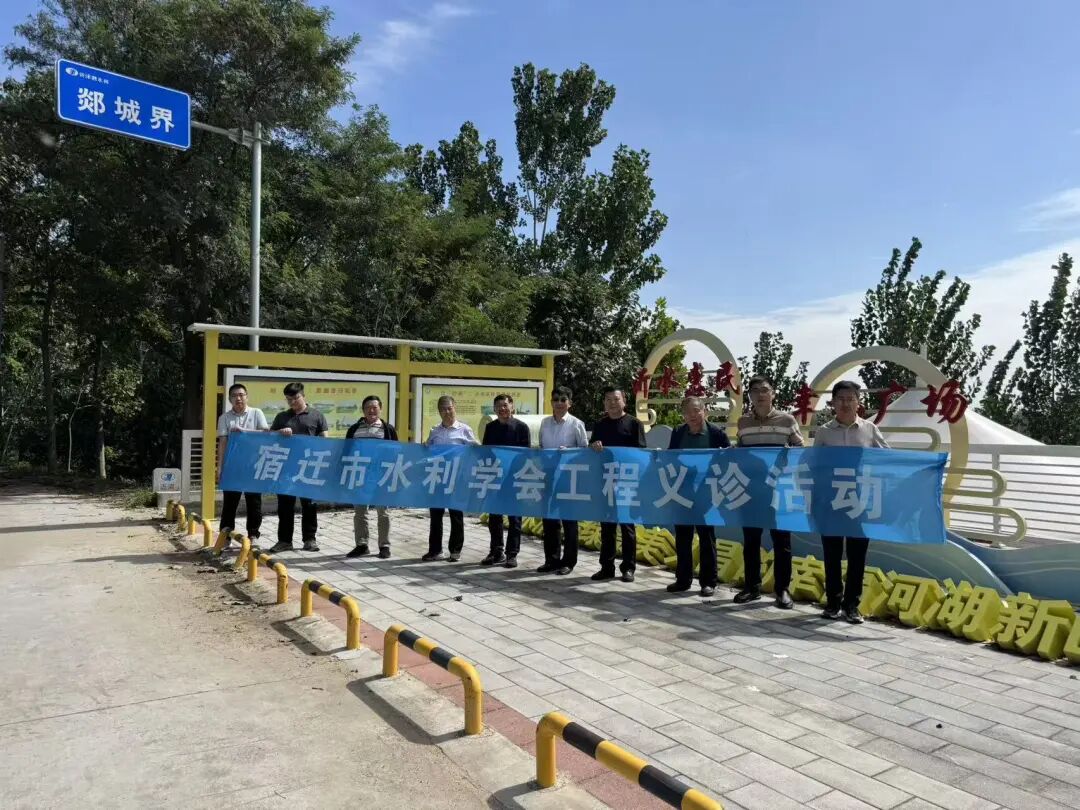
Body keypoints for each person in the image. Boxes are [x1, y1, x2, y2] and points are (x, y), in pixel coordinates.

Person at [813, 379, 890, 624]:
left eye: (850, 399)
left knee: (857, 555)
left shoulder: (869, 429)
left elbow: (888, 458)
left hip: (861, 500)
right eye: (840, 399)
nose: (845, 404)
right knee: (832, 554)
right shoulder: (824, 432)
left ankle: (852, 605)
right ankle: (833, 603)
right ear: (832, 403)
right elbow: (814, 464)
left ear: (858, 403)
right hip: (832, 500)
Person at [735, 375, 804, 609]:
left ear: (773, 394)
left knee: (782, 542)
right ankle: (752, 587)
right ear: (750, 396)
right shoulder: (743, 423)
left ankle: (782, 589)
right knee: (751, 541)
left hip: (779, 490)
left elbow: (800, 450)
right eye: (755, 391)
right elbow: (740, 453)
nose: (760, 394)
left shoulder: (787, 420)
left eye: (764, 390)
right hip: (751, 490)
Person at [667, 396, 730, 596]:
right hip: (683, 492)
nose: (692, 415)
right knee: (683, 537)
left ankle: (708, 582)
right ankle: (683, 579)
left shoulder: (716, 433)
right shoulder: (678, 432)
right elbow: (671, 457)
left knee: (706, 537)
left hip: (707, 492)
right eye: (687, 412)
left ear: (705, 412)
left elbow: (729, 459)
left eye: (696, 410)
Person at [589, 387, 646, 583]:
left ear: (624, 401)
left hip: (627, 481)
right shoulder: (600, 425)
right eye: (608, 400)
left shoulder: (634, 424)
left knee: (627, 527)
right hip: (606, 480)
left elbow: (641, 452)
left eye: (616, 399)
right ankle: (606, 567)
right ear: (604, 403)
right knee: (607, 526)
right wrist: (594, 446)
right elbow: (591, 450)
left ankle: (628, 568)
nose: (612, 403)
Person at [269, 382, 329, 553]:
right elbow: (270, 438)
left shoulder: (317, 415)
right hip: (286, 468)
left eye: (295, 398)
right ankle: (284, 540)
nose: (292, 402)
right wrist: (280, 433)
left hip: (309, 468)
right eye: (289, 399)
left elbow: (325, 440)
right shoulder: (282, 417)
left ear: (303, 396)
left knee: (309, 505)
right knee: (285, 506)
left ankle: (309, 539)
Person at [537, 386, 589, 575]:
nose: (559, 403)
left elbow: (584, 451)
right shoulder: (545, 423)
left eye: (563, 399)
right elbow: (541, 446)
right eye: (556, 399)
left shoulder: (576, 424)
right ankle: (551, 560)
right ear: (551, 402)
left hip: (569, 479)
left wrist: (569, 452)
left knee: (569, 522)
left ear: (570, 403)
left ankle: (568, 562)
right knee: (549, 521)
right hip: (549, 477)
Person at [424, 395, 479, 562]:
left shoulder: (464, 430)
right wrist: (425, 446)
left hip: (457, 478)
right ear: (439, 412)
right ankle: (435, 550)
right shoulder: (435, 431)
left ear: (455, 408)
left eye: (449, 408)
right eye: (443, 409)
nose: (447, 412)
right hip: (437, 477)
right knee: (435, 515)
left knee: (456, 515)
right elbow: (428, 448)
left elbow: (475, 449)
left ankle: (455, 551)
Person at [344, 395, 399, 560]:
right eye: (368, 407)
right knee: (360, 512)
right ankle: (362, 545)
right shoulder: (354, 429)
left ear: (380, 409)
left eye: (375, 407)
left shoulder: (388, 430)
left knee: (383, 512)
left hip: (381, 476)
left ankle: (384, 546)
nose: (371, 410)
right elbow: (346, 451)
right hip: (360, 475)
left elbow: (396, 452)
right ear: (363, 410)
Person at [216, 383, 269, 548]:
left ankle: (253, 534)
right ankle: (225, 535)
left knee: (254, 502)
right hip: (233, 466)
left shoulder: (256, 413)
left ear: (246, 396)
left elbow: (265, 434)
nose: (238, 398)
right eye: (234, 396)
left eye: (241, 395)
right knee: (229, 503)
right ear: (229, 399)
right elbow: (222, 443)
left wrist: (244, 432)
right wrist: (220, 467)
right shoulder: (224, 418)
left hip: (254, 465)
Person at [481, 394, 531, 568]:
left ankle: (512, 554)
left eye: (505, 405)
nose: (502, 409)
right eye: (498, 406)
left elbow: (526, 454)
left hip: (514, 478)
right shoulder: (490, 427)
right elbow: (486, 451)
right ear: (494, 409)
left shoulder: (522, 427)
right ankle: (496, 551)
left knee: (514, 517)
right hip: (495, 477)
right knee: (494, 517)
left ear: (512, 406)